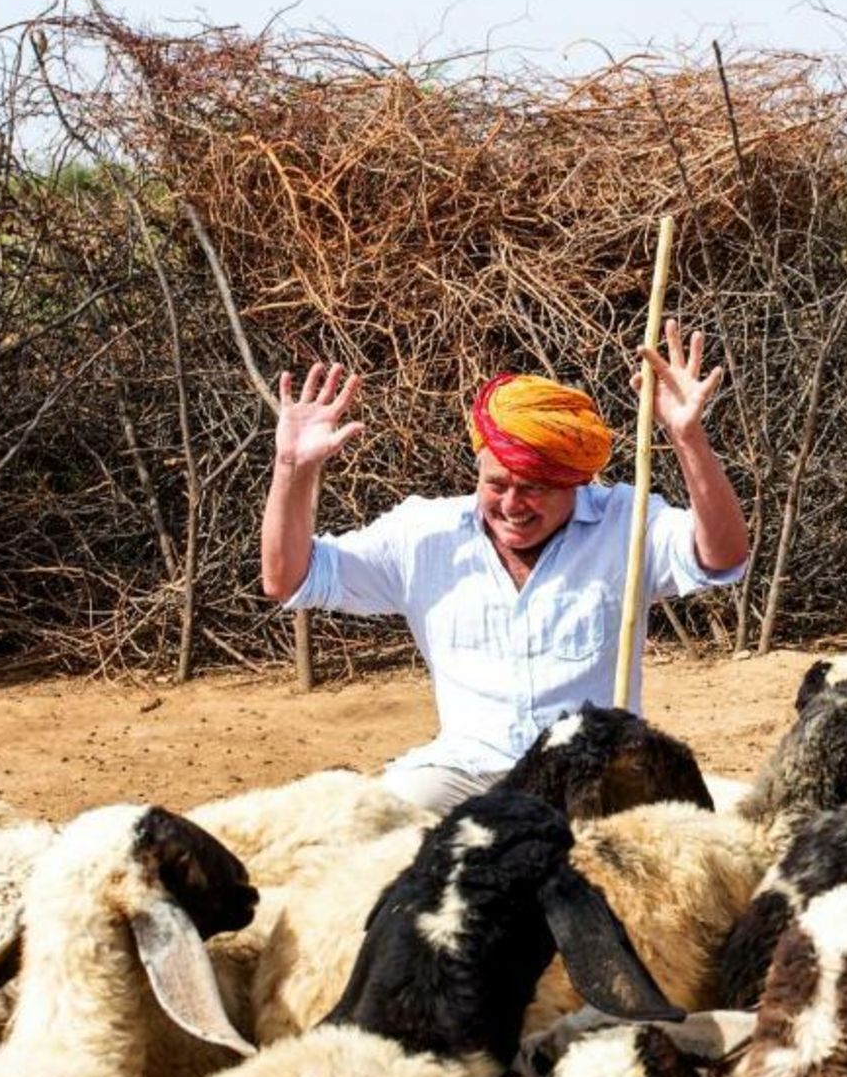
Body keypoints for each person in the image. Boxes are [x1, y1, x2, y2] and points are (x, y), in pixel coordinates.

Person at [260, 319, 750, 813]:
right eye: (497, 484)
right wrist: (293, 469)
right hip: (465, 769)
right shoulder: (422, 535)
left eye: (534, 487)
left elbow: (722, 555)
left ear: (575, 482)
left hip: (594, 769)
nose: (513, 504)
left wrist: (688, 438)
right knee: (373, 823)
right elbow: (289, 578)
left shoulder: (626, 519)